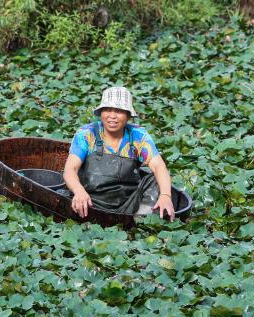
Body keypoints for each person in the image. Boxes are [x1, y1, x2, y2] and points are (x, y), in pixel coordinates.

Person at [62, 86, 175, 220]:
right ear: (101, 112)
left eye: (119, 111)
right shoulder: (87, 134)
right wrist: (79, 191)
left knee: (155, 179)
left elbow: (159, 166)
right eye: (108, 110)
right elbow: (70, 169)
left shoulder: (138, 136)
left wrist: (165, 196)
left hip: (127, 204)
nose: (112, 116)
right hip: (90, 201)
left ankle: (141, 221)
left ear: (128, 115)